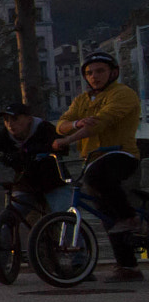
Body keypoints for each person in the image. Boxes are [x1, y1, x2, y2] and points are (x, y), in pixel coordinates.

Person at [54, 50, 145, 280]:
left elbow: (100, 124)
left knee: (101, 186)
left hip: (121, 156)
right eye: (89, 73)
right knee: (106, 216)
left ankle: (130, 218)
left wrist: (66, 140)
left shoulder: (123, 94)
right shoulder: (83, 100)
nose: (94, 76)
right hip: (93, 160)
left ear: (113, 72)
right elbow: (61, 123)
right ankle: (128, 267)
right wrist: (76, 122)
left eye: (100, 71)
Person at [0, 102, 65, 283]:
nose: (10, 124)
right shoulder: (7, 136)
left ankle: (80, 264)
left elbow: (61, 147)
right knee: (7, 222)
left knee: (67, 219)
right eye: (6, 120)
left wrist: (31, 152)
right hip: (25, 185)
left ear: (28, 119)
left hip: (53, 183)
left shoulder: (44, 129)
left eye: (15, 119)